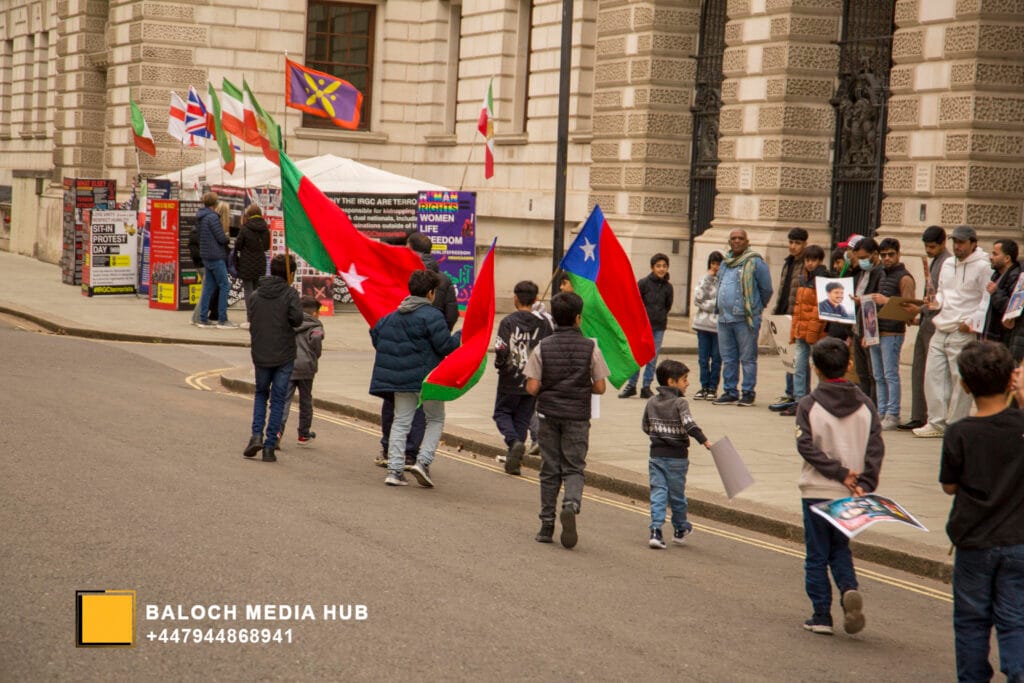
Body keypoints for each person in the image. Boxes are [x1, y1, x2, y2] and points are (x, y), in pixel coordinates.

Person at [939, 341, 1024, 682]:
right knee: (1015, 617)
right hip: (1018, 539)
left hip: (974, 541)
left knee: (972, 620)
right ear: (1009, 381)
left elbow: (949, 486)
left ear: (963, 384)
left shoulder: (960, 433)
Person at [796, 337, 884, 636]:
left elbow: (806, 447)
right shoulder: (867, 404)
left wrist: (838, 471)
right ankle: (849, 590)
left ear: (814, 368)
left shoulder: (809, 404)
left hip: (816, 491)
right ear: (849, 365)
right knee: (840, 549)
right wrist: (865, 482)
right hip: (850, 494)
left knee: (817, 554)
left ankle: (821, 615)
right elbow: (875, 447)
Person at [524, 291, 610, 549]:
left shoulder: (543, 346)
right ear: (578, 318)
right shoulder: (590, 347)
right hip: (577, 416)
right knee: (574, 467)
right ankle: (571, 503)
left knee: (550, 469)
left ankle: (546, 525)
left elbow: (532, 387)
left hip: (549, 415)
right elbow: (601, 387)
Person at [369, 270, 461, 488]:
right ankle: (423, 462)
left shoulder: (392, 316)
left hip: (399, 380)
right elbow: (445, 346)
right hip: (427, 379)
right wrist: (460, 336)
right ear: (430, 293)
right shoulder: (432, 316)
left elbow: (376, 335)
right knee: (435, 419)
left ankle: (394, 471)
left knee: (401, 421)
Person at [914, 225, 992, 438]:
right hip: (942, 325)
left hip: (963, 329)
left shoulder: (984, 266)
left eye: (961, 242)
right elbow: (942, 293)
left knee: (960, 379)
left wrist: (972, 322)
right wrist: (935, 302)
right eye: (954, 242)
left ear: (973, 243)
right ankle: (936, 422)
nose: (957, 246)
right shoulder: (948, 264)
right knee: (933, 375)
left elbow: (985, 299)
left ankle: (956, 424)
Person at [642, 359, 712, 549]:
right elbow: (689, 424)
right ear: (671, 382)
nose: (687, 383)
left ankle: (655, 531)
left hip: (656, 455)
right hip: (677, 458)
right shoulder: (680, 402)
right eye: (684, 379)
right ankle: (680, 528)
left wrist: (659, 436)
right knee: (676, 496)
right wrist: (704, 440)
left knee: (658, 493)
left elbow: (645, 427)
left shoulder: (651, 402)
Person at [243, 254, 303, 462]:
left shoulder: (256, 295)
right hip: (284, 354)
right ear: (290, 273)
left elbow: (253, 320)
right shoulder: (290, 294)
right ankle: (269, 447)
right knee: (278, 399)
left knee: (261, 394)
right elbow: (297, 320)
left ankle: (256, 435)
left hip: (260, 352)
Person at [492, 280, 553, 475]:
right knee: (522, 418)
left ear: (515, 298)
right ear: (536, 299)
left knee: (501, 413)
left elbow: (501, 348)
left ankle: (513, 442)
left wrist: (501, 366)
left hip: (510, 377)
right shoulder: (544, 324)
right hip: (534, 379)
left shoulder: (508, 322)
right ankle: (514, 461)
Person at [898, 226, 951, 430]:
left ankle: (932, 417)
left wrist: (919, 308)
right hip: (926, 320)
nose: (929, 250)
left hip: (937, 322)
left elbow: (942, 298)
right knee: (919, 369)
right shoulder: (936, 261)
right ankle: (918, 415)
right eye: (926, 246)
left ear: (942, 243)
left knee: (933, 373)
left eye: (932, 246)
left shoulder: (947, 262)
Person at [712, 229, 773, 407]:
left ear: (747, 242)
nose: (737, 241)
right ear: (729, 242)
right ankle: (730, 391)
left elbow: (766, 289)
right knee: (728, 357)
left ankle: (748, 392)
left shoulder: (755, 262)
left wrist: (755, 307)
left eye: (740, 238)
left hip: (745, 319)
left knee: (747, 357)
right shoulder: (725, 262)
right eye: (733, 238)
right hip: (724, 318)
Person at [865, 238, 916, 430]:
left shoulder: (905, 278)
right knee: (878, 375)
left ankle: (893, 414)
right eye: (883, 255)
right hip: (877, 331)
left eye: (890, 254)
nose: (886, 258)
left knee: (890, 374)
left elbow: (910, 309)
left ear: (898, 254)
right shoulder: (883, 274)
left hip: (893, 332)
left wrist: (887, 300)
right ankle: (882, 410)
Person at [620, 253, 674, 399]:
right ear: (652, 267)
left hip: (659, 326)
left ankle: (646, 386)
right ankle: (631, 385)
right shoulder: (643, 283)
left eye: (664, 266)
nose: (661, 269)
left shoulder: (668, 287)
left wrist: (660, 316)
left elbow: (668, 306)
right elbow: (636, 303)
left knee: (652, 357)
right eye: (658, 266)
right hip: (642, 326)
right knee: (637, 355)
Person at [784, 245, 828, 417]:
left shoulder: (823, 279)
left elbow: (820, 309)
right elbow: (798, 307)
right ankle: (800, 401)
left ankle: (821, 401)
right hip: (802, 330)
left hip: (816, 333)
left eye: (814, 260)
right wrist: (794, 330)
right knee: (800, 367)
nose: (810, 263)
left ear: (820, 261)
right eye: (808, 260)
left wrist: (811, 332)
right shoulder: (803, 278)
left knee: (820, 368)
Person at [769, 228, 809, 412]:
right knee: (788, 357)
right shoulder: (788, 262)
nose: (793, 246)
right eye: (791, 242)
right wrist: (777, 310)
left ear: (805, 244)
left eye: (797, 243)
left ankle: (800, 396)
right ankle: (790, 392)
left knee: (799, 359)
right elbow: (783, 289)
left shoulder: (806, 264)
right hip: (785, 314)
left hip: (798, 316)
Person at [279, 295, 325, 446]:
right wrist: (314, 355)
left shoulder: (288, 322)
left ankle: (277, 431)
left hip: (288, 365)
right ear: (314, 313)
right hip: (307, 367)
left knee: (284, 400)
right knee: (305, 401)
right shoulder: (316, 326)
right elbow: (317, 340)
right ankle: (304, 434)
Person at [194, 192, 237, 329]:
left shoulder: (201, 217)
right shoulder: (212, 218)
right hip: (216, 256)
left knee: (209, 287)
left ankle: (203, 318)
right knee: (225, 285)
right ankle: (222, 319)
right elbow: (221, 239)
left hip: (206, 256)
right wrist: (226, 237)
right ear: (215, 204)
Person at [850, 237, 883, 405]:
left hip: (870, 327)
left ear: (875, 254)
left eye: (864, 257)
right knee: (861, 371)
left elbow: (875, 302)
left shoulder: (880, 273)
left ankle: (873, 404)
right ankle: (864, 403)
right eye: (859, 258)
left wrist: (861, 300)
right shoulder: (862, 273)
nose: (861, 261)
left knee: (873, 372)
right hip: (858, 325)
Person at [691, 251, 723, 400]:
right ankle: (703, 386)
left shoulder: (724, 280)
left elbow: (722, 302)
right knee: (703, 359)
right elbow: (697, 299)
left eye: (718, 263)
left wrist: (709, 305)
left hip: (718, 327)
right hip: (703, 325)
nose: (716, 267)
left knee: (716, 358)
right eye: (713, 263)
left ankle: (712, 387)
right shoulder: (704, 279)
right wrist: (708, 278)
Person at [233, 203, 271, 326]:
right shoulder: (265, 228)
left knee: (248, 291)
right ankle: (259, 317)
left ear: (248, 215)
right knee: (258, 291)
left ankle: (250, 318)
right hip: (260, 262)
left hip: (246, 263)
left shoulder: (245, 228)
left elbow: (238, 245)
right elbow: (266, 247)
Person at [982, 239, 1021, 344]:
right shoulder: (996, 275)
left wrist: (995, 293)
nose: (991, 257)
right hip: (992, 336)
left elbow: (1012, 311)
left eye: (995, 254)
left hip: (1004, 339)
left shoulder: (1017, 278)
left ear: (1007, 258)